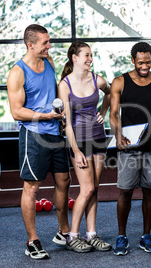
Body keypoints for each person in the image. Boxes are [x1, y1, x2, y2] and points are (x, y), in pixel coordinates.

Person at [7, 24, 70, 259]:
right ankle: (32, 240)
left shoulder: (49, 62)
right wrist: (46, 116)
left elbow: (54, 92)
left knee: (64, 180)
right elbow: (17, 112)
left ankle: (64, 232)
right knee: (32, 188)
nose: (49, 46)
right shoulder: (17, 72)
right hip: (34, 134)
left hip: (55, 132)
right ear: (30, 44)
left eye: (49, 41)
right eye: (45, 43)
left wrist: (61, 114)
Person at [109, 42, 151, 255]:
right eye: (140, 62)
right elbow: (113, 114)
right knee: (125, 191)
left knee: (150, 192)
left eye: (148, 62)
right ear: (132, 60)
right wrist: (117, 135)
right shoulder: (120, 82)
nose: (144, 66)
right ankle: (122, 236)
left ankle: (146, 236)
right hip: (129, 145)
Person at [58, 41, 111, 253]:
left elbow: (110, 93)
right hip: (78, 140)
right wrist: (76, 150)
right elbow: (67, 123)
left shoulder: (97, 79)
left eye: (91, 55)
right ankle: (73, 236)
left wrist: (104, 112)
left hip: (98, 137)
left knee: (95, 189)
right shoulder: (65, 84)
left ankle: (91, 234)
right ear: (75, 57)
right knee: (86, 188)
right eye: (86, 55)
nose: (90, 59)